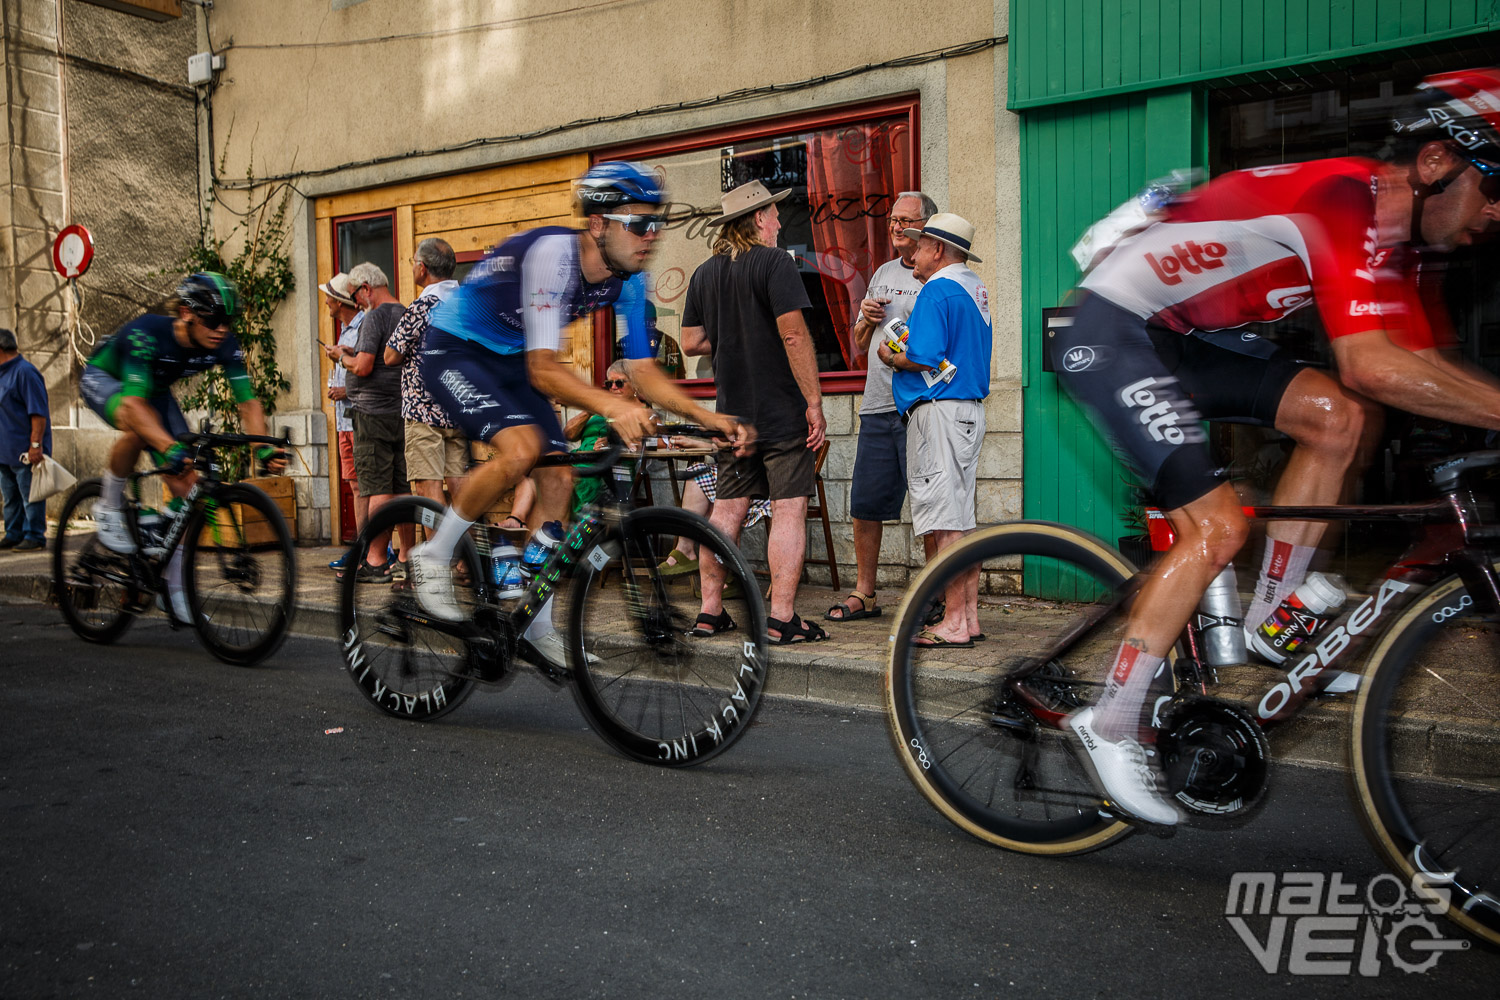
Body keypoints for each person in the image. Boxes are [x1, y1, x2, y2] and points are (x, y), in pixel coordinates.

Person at [1050, 67, 1500, 826]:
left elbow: (1424, 374)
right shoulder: (1344, 198)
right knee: (1219, 526)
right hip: (1115, 328)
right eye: (1495, 187)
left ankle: (1270, 620)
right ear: (1435, 163)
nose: (1497, 213)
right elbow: (1374, 361)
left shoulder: (1402, 250)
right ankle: (1113, 717)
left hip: (1189, 339)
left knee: (1340, 416)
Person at [409, 161, 752, 669]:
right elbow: (545, 371)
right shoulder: (554, 255)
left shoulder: (629, 280)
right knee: (523, 449)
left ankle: (536, 622)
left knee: (560, 478)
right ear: (599, 224)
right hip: (455, 350)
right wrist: (612, 404)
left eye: (655, 224)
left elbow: (643, 371)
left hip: (510, 361)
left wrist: (707, 417)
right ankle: (433, 555)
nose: (650, 237)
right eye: (638, 224)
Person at [80, 272, 287, 620]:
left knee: (189, 487)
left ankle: (174, 591)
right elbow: (133, 404)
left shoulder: (223, 342)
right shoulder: (146, 334)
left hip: (155, 392)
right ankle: (109, 505)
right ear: (186, 313)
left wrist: (260, 448)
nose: (221, 328)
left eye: (228, 321)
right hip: (106, 379)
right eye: (213, 320)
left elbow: (248, 403)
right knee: (136, 428)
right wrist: (169, 448)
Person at [681, 179, 828, 644]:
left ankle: (710, 611)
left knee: (726, 511)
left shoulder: (705, 273)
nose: (780, 221)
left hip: (733, 415)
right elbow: (794, 336)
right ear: (758, 219)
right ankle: (781, 617)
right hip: (781, 410)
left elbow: (690, 342)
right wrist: (814, 403)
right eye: (773, 214)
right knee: (788, 508)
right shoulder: (775, 263)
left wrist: (731, 333)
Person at [877, 213, 993, 648]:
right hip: (966, 410)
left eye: (920, 245)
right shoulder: (974, 289)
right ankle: (970, 618)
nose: (913, 254)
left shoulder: (937, 289)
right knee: (961, 519)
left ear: (938, 250)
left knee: (945, 522)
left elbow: (923, 356)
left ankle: (955, 623)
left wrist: (891, 356)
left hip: (939, 413)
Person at [827, 190, 938, 623]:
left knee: (929, 506)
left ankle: (933, 595)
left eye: (904, 220)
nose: (895, 227)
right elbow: (859, 345)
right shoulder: (883, 273)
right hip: (876, 405)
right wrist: (866, 321)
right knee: (865, 503)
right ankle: (865, 594)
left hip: (920, 405)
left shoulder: (936, 274)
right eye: (892, 220)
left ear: (925, 226)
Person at [328, 262, 411, 584]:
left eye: (356, 295)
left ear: (366, 287)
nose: (357, 303)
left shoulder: (375, 316)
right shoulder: (404, 312)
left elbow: (362, 367)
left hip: (372, 416)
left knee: (378, 488)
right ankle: (405, 557)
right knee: (403, 488)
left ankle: (375, 560)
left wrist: (340, 357)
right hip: (400, 412)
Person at [385, 238, 465, 520]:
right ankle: (468, 561)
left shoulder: (421, 307)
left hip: (423, 410)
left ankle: (438, 559)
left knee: (427, 487)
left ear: (422, 268)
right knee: (460, 486)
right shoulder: (466, 304)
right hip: (458, 406)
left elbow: (390, 356)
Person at [321, 272, 363, 572]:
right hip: (344, 423)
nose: (326, 301)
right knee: (355, 484)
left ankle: (369, 549)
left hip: (358, 421)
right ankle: (365, 549)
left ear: (339, 301)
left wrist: (344, 390)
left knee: (363, 487)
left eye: (329, 297)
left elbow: (370, 371)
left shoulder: (361, 329)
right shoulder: (346, 330)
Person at [0, 327, 51, 551]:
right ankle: (14, 533)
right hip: (5, 451)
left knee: (31, 495)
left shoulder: (25, 372)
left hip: (25, 450)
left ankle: (34, 535)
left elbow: (38, 413)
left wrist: (35, 445)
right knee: (10, 497)